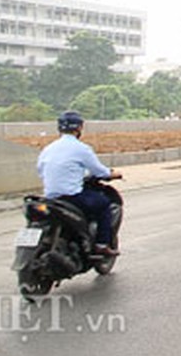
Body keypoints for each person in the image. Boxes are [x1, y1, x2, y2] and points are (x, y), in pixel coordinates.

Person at [36, 110, 122, 256]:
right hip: (72, 197)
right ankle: (101, 245)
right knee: (104, 205)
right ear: (80, 128)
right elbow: (100, 171)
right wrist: (114, 174)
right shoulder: (81, 149)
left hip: (51, 198)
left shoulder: (48, 149)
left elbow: (40, 170)